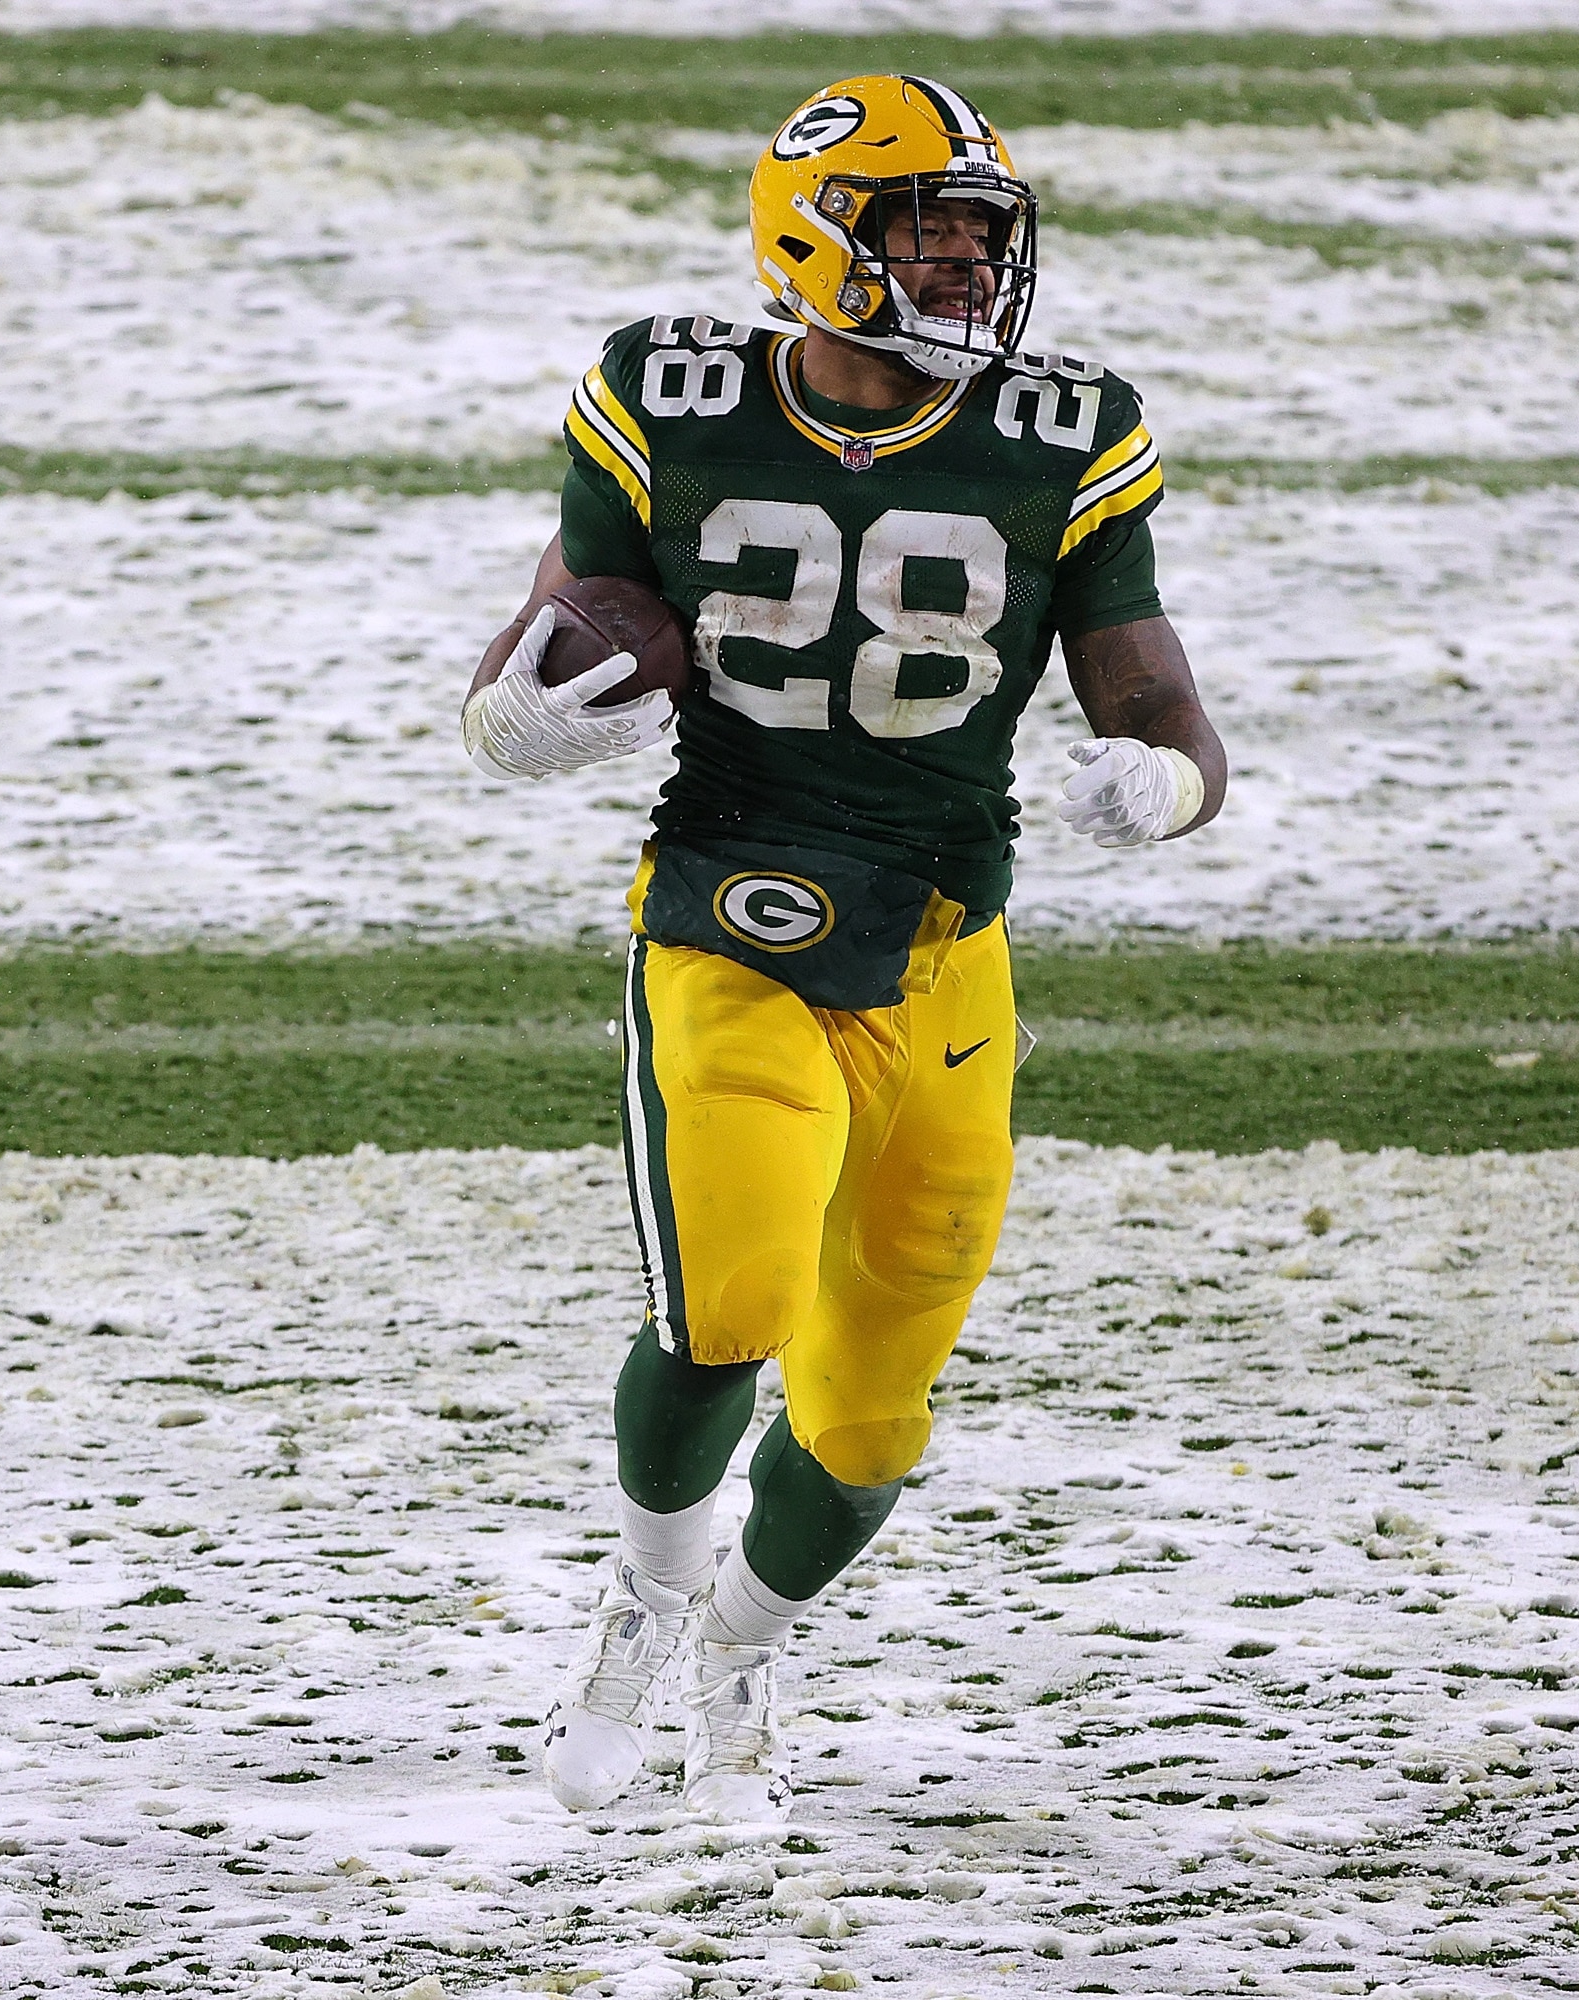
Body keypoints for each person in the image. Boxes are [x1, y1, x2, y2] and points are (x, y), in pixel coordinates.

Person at [459, 73, 1227, 1821]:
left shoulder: (1067, 432)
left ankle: (742, 1640)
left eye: (982, 233)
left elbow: (1157, 688)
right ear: (819, 235)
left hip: (953, 952)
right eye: (928, 229)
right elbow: (551, 632)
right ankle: (643, 1607)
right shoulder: (670, 397)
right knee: (726, 1302)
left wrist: (1166, 782)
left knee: (874, 1416)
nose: (966, 266)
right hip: (729, 917)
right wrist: (517, 721)